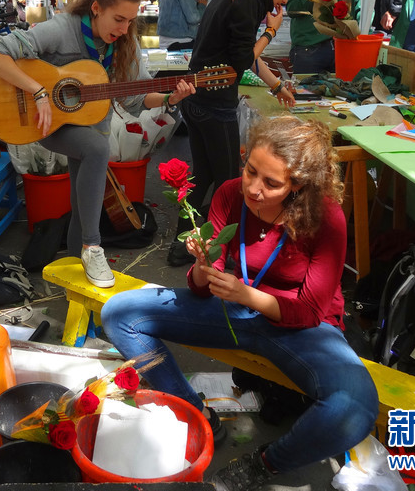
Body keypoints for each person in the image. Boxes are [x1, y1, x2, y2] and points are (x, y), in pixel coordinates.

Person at [103, 116, 378, 490]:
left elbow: (310, 311)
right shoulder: (230, 193)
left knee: (356, 406)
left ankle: (264, 465)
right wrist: (203, 264)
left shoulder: (325, 216)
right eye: (250, 171)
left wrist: (245, 294)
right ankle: (196, 413)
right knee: (120, 313)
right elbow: (203, 288)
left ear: (298, 184)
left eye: (271, 183)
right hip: (236, 307)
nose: (254, 188)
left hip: (301, 328)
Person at [0, 0, 195, 288]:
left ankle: (73, 271)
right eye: (118, 19)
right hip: (44, 122)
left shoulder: (124, 45)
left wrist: (170, 98)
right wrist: (38, 90)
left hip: (91, 125)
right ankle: (93, 248)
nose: (123, 29)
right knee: (96, 149)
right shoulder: (62, 29)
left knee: (84, 206)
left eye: (130, 21)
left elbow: (136, 99)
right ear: (96, 8)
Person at [167, 0, 299, 266]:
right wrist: (271, 31)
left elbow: (244, 55)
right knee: (230, 183)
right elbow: (242, 59)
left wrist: (277, 86)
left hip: (198, 98)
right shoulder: (246, 1)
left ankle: (182, 244)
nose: (285, 0)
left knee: (203, 175)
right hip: (214, 103)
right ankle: (222, 252)